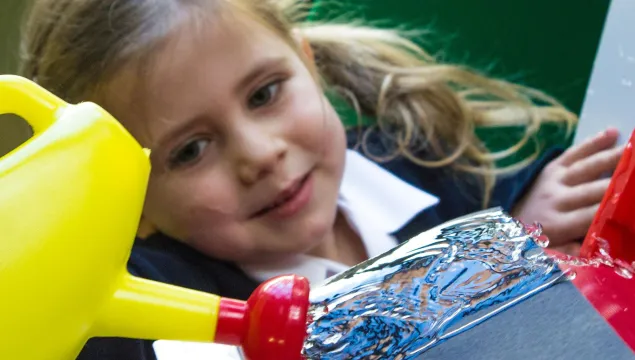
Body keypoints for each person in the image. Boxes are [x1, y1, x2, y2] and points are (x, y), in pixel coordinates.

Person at [19, 0, 623, 359]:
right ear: (132, 204)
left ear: (308, 65)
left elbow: (502, 207)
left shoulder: (415, 156)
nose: (259, 154)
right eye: (191, 151)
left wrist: (528, 223)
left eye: (264, 93)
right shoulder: (155, 313)